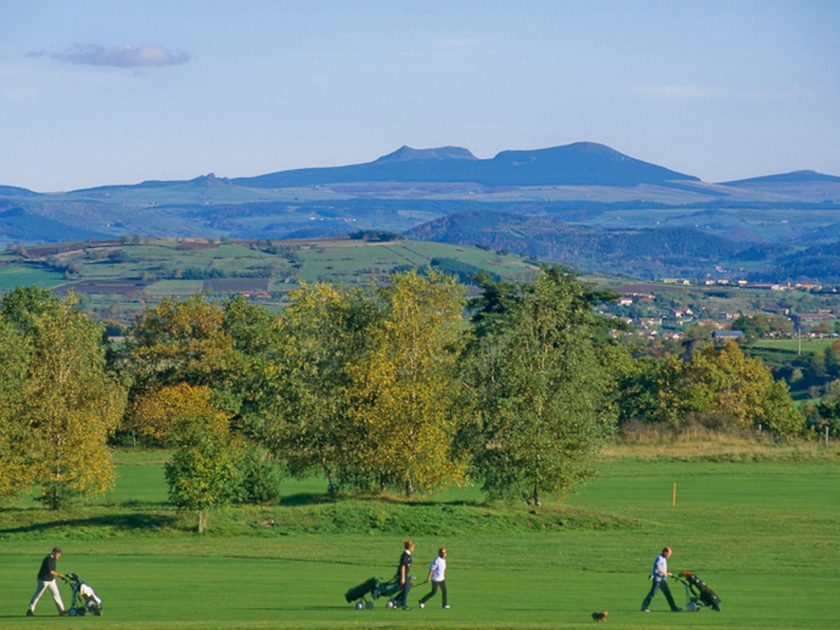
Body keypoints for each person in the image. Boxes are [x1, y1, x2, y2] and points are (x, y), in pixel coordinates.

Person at [26, 547, 67, 616]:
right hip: (43, 580)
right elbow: (50, 571)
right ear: (54, 552)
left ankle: (61, 611)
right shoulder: (49, 559)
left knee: (56, 594)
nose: (59, 555)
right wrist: (60, 575)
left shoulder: (53, 558)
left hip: (51, 580)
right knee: (38, 595)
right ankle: (30, 610)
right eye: (59, 554)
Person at [641, 546, 681, 613]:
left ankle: (674, 608)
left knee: (668, 594)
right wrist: (667, 574)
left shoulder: (663, 558)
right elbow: (658, 569)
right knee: (652, 593)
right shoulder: (660, 558)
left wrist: (667, 574)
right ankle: (644, 607)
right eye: (669, 554)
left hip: (662, 580)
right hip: (657, 580)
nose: (669, 556)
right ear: (665, 552)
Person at [395, 540, 414, 610]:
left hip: (405, 574)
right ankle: (404, 605)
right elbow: (403, 567)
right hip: (402, 574)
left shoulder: (408, 554)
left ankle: (395, 600)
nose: (413, 548)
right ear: (409, 547)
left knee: (407, 588)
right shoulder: (405, 555)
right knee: (406, 589)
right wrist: (402, 577)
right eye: (413, 547)